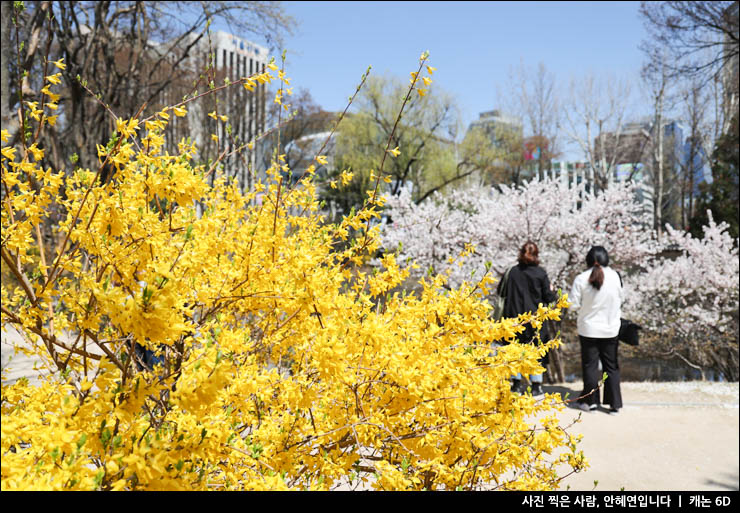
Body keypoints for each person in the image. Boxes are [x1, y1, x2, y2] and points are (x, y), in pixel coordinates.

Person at [496, 240, 557, 396]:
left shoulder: (511, 272)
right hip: (535, 320)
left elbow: (500, 293)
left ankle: (516, 384)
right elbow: (549, 298)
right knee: (535, 350)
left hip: (513, 318)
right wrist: (552, 290)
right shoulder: (541, 273)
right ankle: (536, 385)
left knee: (514, 350)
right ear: (537, 255)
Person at [568, 246, 624, 414]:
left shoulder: (581, 278)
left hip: (588, 329)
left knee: (590, 366)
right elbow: (622, 298)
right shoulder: (615, 276)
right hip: (611, 328)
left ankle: (591, 402)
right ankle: (614, 405)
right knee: (611, 366)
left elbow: (572, 305)